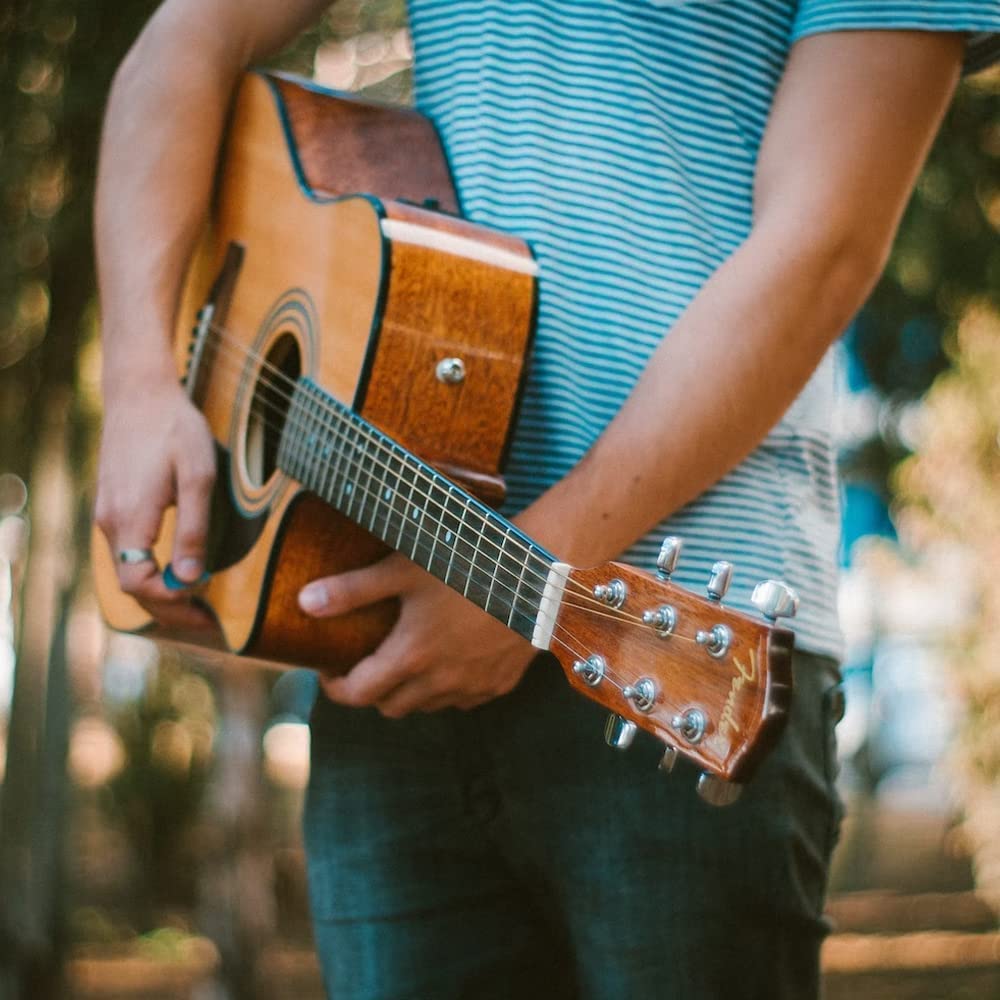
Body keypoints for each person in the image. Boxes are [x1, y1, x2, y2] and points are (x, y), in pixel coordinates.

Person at [93, 2, 1000, 997]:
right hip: (387, 640)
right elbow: (180, 41)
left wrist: (535, 575)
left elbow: (823, 242)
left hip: (674, 647)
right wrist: (143, 382)